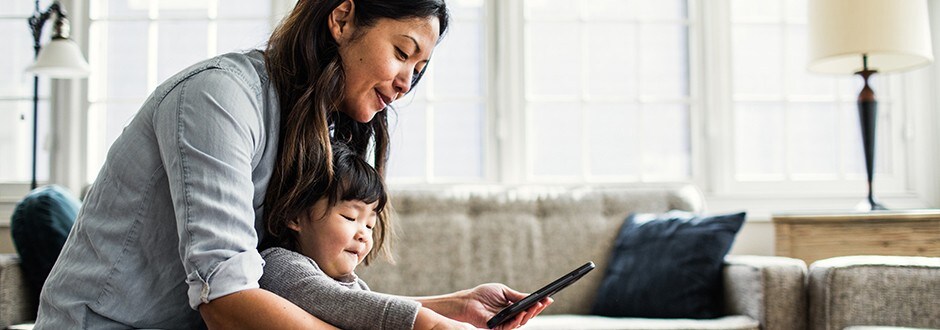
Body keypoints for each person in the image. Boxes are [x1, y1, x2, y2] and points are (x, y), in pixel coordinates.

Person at [35, 0, 550, 329]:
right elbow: (227, 300)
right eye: (401, 52)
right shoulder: (219, 98)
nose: (406, 84)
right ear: (343, 18)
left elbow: (293, 286)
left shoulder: (312, 129)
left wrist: (447, 308)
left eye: (419, 70)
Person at [258, 142, 469, 329]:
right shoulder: (277, 265)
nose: (363, 235)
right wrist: (429, 323)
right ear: (296, 216)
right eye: (350, 217)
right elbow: (341, 302)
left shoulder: (353, 285)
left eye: (369, 225)